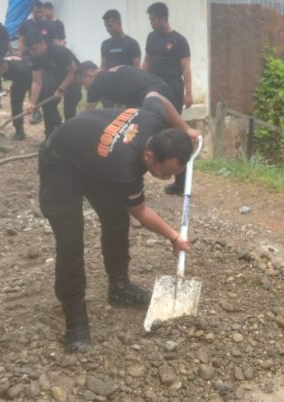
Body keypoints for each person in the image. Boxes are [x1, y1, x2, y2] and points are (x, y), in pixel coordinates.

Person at [38, 91, 199, 351]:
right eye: (165, 172)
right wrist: (174, 237)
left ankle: (119, 287)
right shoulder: (125, 167)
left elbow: (155, 95)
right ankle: (75, 319)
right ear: (149, 156)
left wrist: (185, 128)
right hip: (60, 163)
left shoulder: (152, 118)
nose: (168, 179)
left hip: (95, 154)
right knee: (71, 241)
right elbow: (141, 211)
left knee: (115, 218)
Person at [142, 2, 192, 195]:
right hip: (153, 88)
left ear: (162, 18)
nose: (151, 22)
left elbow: (186, 68)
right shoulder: (151, 38)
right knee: (152, 129)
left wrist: (188, 93)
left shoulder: (179, 40)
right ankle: (158, 169)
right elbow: (146, 61)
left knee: (175, 134)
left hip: (172, 89)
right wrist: (142, 81)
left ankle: (181, 183)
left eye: (152, 19)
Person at [27, 32, 78, 138]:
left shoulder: (58, 51)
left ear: (43, 43)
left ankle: (71, 137)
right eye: (30, 50)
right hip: (57, 76)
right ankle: (52, 135)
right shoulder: (34, 56)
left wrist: (61, 90)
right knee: (47, 106)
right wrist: (32, 103)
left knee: (69, 110)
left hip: (74, 77)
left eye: (35, 49)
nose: (33, 52)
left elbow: (73, 71)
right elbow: (36, 82)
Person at [76, 62, 175, 110]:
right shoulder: (110, 74)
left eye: (82, 84)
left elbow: (87, 112)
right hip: (165, 91)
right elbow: (119, 107)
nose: (84, 88)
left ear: (88, 75)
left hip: (152, 98)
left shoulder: (97, 81)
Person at [0, 55, 32, 141]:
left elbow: (29, 83)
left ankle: (39, 115)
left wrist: (32, 102)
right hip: (19, 79)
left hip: (33, 76)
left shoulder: (20, 69)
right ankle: (19, 130)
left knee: (36, 101)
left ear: (3, 66)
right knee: (15, 103)